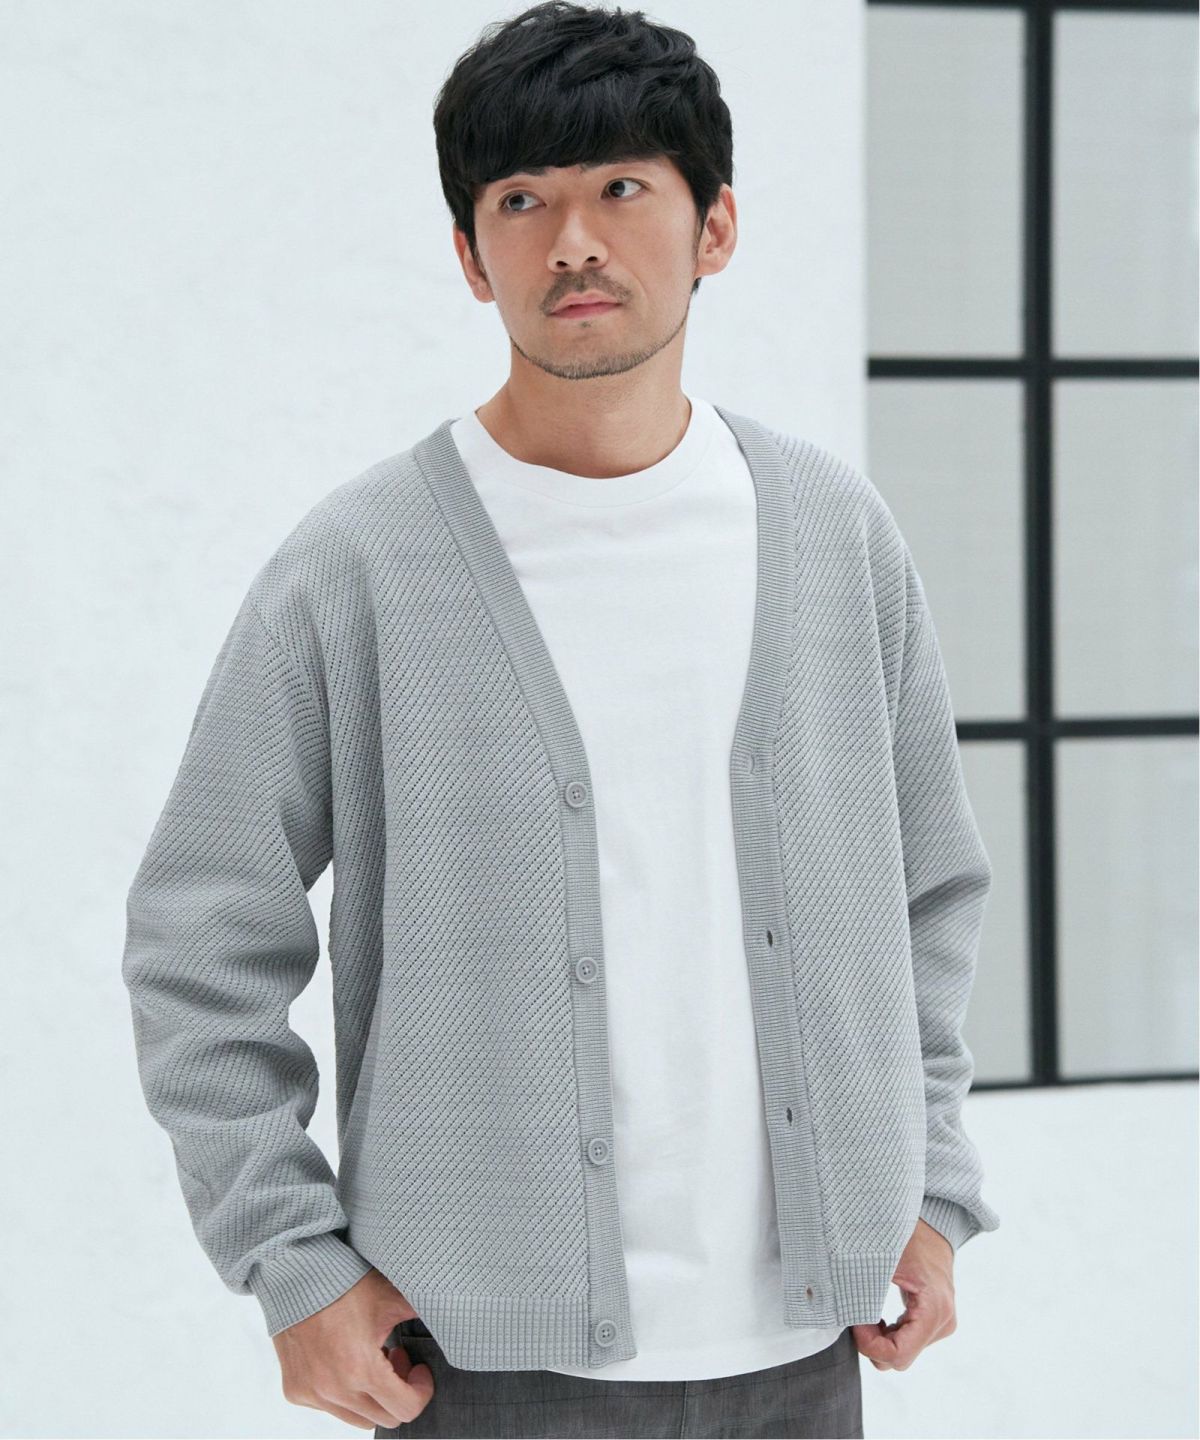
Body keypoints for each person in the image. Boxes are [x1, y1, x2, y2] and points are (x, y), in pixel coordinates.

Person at [121, 3, 1000, 1436]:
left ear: (716, 227)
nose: (573, 242)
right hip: (482, 1368)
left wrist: (935, 1189)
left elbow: (929, 896)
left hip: (807, 1353)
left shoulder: (836, 536)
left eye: (622, 188)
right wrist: (289, 1260)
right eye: (521, 201)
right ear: (473, 258)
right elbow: (199, 936)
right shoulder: (361, 566)